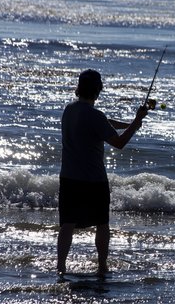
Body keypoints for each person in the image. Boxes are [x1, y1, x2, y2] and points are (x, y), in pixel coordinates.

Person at [57, 69, 148, 276]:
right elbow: (119, 143)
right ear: (98, 91)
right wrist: (135, 123)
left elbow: (104, 123)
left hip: (69, 177)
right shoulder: (95, 116)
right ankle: (102, 266)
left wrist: (133, 123)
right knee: (102, 223)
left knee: (67, 224)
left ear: (79, 88)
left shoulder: (69, 109)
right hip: (93, 180)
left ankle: (60, 267)